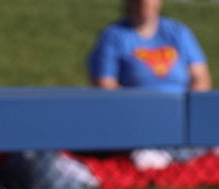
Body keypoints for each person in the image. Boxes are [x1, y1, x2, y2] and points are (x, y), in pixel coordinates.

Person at [88, 0, 210, 171]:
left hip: (178, 113)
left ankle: (168, 152)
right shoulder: (113, 36)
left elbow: (201, 79)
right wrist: (137, 112)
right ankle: (167, 151)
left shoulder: (178, 32)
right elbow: (105, 84)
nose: (146, 3)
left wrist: (189, 109)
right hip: (137, 115)